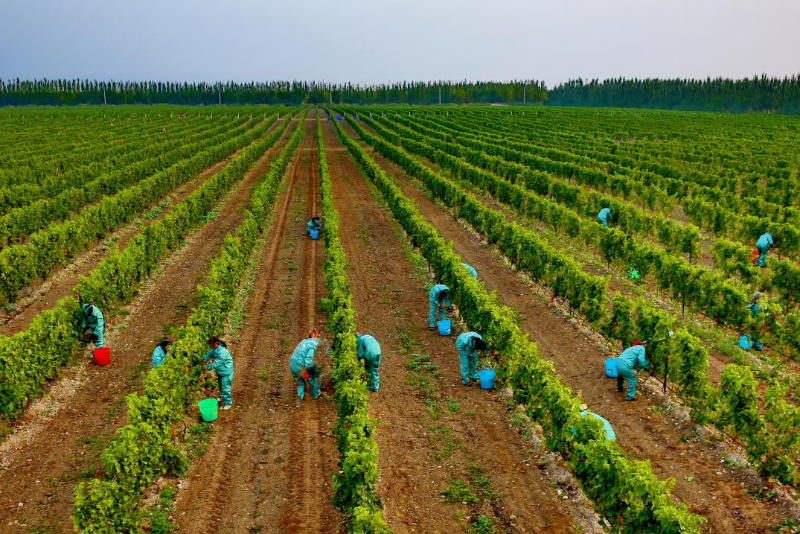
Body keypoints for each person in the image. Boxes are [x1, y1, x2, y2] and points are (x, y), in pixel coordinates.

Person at [290, 330, 323, 406]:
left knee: (301, 381)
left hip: (292, 364)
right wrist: (309, 371)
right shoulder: (312, 346)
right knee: (312, 377)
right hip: (300, 366)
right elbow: (307, 361)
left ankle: (299, 399)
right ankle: (316, 394)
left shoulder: (304, 341)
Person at [202, 337, 234, 410]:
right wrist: (203, 359)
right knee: (221, 386)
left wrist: (206, 367)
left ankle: (228, 403)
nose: (210, 346)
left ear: (216, 343)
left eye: (211, 344)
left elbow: (216, 363)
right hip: (221, 371)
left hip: (226, 371)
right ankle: (223, 398)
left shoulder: (222, 352)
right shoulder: (215, 349)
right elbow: (209, 354)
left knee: (225, 387)